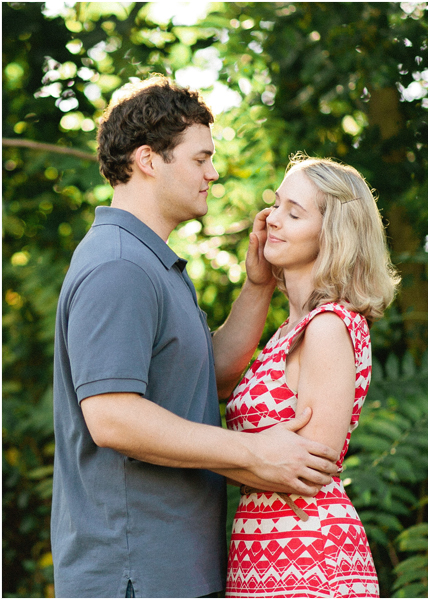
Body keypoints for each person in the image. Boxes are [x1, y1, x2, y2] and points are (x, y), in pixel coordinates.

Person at [51, 76, 341, 598]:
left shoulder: (153, 263)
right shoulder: (120, 266)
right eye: (200, 158)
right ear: (147, 159)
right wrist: (252, 453)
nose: (213, 173)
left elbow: (213, 374)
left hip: (175, 567)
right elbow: (112, 415)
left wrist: (257, 287)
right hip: (135, 572)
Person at [224, 154, 399, 598]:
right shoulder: (288, 330)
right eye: (277, 204)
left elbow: (307, 469)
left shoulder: (327, 326)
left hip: (310, 556)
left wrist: (186, 452)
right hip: (265, 553)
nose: (272, 220)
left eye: (293, 212)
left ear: (333, 234)